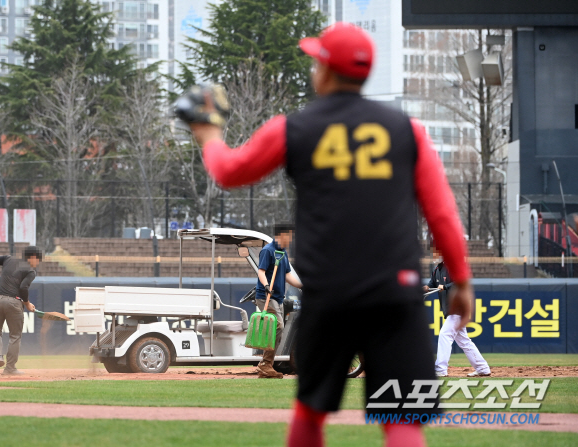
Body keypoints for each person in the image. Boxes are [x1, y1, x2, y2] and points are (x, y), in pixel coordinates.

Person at [184, 22, 474, 447]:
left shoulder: (294, 127)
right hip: (396, 291)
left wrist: (208, 133)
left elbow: (229, 172)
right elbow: (443, 215)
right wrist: (462, 282)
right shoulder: (406, 130)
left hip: (331, 292)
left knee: (311, 413)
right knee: (403, 418)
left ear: (324, 70)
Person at [425, 241, 491, 378]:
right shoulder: (437, 269)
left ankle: (441, 369)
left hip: (458, 309)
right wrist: (425, 287)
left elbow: (459, 282)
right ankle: (482, 368)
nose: (434, 254)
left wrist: (446, 287)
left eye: (436, 251)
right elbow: (431, 284)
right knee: (464, 342)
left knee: (445, 335)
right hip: (450, 311)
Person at [255, 223, 303, 379]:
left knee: (277, 331)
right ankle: (265, 364)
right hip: (266, 296)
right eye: (289, 236)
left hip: (278, 298)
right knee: (278, 326)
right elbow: (261, 272)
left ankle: (266, 365)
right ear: (282, 235)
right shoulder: (268, 251)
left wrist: (303, 285)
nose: (291, 239)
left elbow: (288, 275)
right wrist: (267, 285)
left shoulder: (282, 253)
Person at [0, 246, 42, 375]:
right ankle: (10, 368)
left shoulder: (8, 259)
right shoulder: (30, 271)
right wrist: (27, 304)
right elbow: (23, 288)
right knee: (15, 336)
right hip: (14, 302)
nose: (38, 263)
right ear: (32, 257)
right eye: (38, 259)